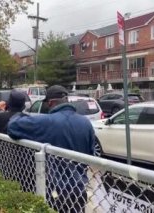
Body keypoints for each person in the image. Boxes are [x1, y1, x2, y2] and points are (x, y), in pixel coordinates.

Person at [7, 85, 96, 213]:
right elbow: (91, 153)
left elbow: (13, 127)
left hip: (56, 190)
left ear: (51, 102)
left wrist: (18, 114)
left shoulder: (48, 121)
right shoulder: (85, 123)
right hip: (79, 188)